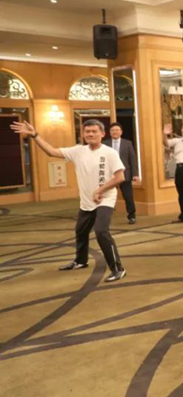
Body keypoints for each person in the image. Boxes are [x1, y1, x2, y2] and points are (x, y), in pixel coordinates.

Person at [11, 119, 127, 281]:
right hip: (87, 201)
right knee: (80, 230)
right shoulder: (78, 151)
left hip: (105, 199)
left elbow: (120, 177)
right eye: (87, 131)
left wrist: (100, 190)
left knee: (101, 232)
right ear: (83, 134)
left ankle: (118, 268)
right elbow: (51, 152)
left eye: (94, 131)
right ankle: (81, 261)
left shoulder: (110, 153)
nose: (90, 134)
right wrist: (35, 135)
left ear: (102, 134)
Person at [103, 122, 139, 224]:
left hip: (124, 174)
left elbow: (132, 159)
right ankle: (104, 217)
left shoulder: (127, 143)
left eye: (117, 130)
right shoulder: (104, 144)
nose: (115, 132)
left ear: (121, 132)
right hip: (109, 174)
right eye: (112, 130)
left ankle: (131, 216)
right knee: (106, 196)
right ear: (109, 132)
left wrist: (135, 174)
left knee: (128, 196)